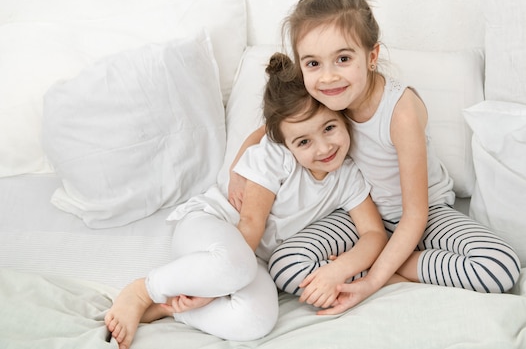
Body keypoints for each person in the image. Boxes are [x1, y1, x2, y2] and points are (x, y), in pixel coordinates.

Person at [229, 0, 521, 315]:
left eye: (343, 58)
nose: (328, 75)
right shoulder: (325, 95)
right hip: (358, 219)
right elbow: (274, 126)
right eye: (313, 63)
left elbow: (415, 214)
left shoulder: (400, 112)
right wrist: (239, 169)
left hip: (423, 216)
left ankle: (391, 271)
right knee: (283, 265)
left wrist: (370, 280)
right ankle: (380, 266)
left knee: (498, 267)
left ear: (370, 56)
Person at [105, 52, 387, 349]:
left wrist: (338, 270)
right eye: (304, 141)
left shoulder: (348, 175)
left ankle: (168, 310)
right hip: (212, 227)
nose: (324, 147)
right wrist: (216, 289)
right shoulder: (276, 157)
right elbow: (250, 225)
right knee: (236, 263)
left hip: (252, 260)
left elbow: (373, 233)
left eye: (329, 128)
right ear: (284, 142)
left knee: (257, 320)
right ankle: (144, 291)